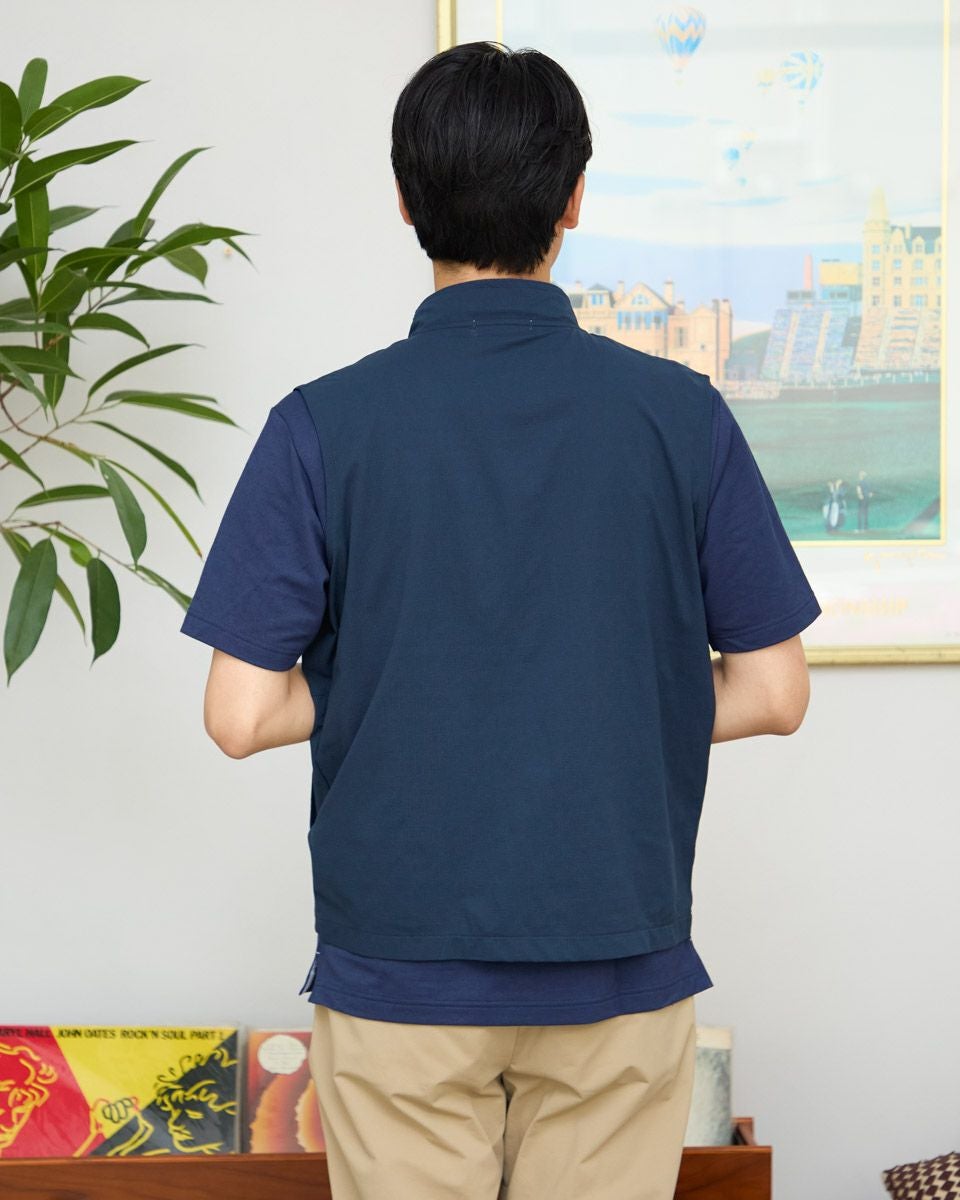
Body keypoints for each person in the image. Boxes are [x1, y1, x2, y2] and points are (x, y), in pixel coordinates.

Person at [180, 40, 821, 1200]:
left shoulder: (322, 423)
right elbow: (775, 694)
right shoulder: (682, 417)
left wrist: (399, 684)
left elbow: (240, 715)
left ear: (405, 198)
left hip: (399, 977)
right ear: (573, 201)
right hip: (619, 962)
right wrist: (603, 693)